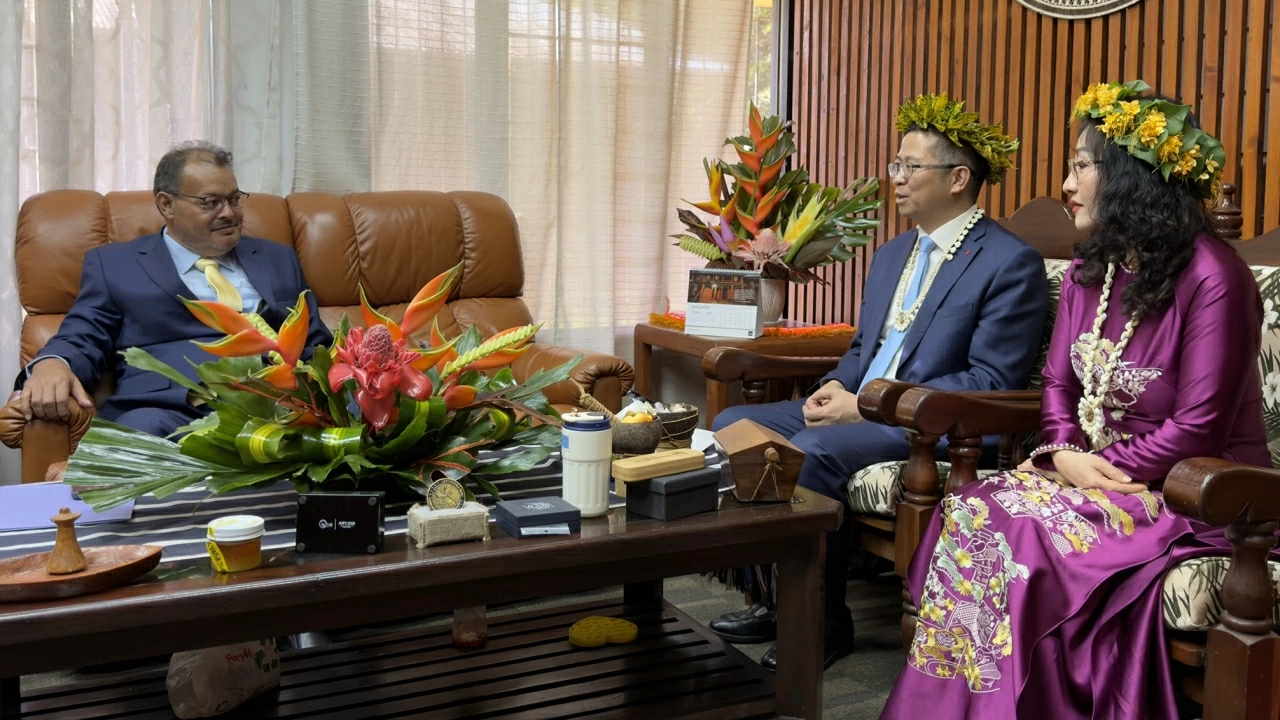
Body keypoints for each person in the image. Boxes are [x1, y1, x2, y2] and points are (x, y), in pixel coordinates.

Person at [881, 81, 1268, 718]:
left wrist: (1099, 474)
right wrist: (1063, 456)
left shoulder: (1213, 278)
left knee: (1022, 527)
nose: (1066, 183)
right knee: (976, 509)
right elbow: (1058, 386)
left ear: (1130, 177)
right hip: (1091, 476)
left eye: (1081, 166)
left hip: (1196, 493)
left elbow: (1198, 428)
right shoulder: (1098, 266)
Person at [707, 94, 1050, 672]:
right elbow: (865, 350)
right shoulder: (893, 254)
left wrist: (868, 408)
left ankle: (820, 622)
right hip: (865, 405)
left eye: (909, 167)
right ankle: (771, 595)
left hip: (935, 426)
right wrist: (834, 389)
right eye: (896, 165)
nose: (897, 179)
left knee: (812, 451)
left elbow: (991, 380)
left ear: (959, 178)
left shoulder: (1009, 262)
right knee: (730, 426)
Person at [11, 141, 331, 439]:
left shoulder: (277, 258)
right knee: (138, 435)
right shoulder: (116, 265)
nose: (229, 213)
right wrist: (54, 363)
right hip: (171, 411)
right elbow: (84, 332)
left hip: (281, 409)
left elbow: (315, 343)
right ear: (167, 204)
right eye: (211, 202)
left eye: (234, 199)